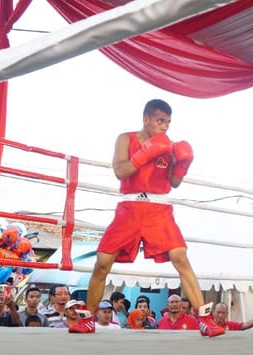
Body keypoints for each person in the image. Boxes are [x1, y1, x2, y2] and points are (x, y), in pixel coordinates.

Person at [72, 99, 223, 337]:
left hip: (158, 209)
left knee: (180, 257)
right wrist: (147, 152)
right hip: (129, 207)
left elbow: (173, 182)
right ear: (146, 119)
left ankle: (204, 319)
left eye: (168, 122)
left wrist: (183, 164)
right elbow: (120, 171)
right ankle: (88, 320)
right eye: (160, 121)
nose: (164, 126)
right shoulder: (126, 139)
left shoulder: (171, 146)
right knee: (102, 261)